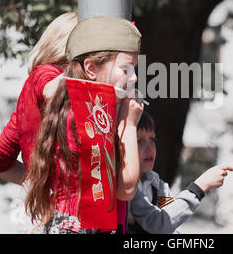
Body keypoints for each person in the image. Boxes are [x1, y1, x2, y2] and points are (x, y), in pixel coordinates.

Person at [24, 16, 144, 234]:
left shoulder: (74, 108)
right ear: (90, 69)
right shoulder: (87, 117)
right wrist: (130, 123)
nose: (134, 78)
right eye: (125, 69)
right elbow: (126, 188)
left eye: (134, 69)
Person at [0, 12, 78, 184]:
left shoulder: (28, 100)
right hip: (66, 206)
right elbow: (50, 91)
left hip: (51, 205)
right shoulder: (47, 73)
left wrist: (39, 188)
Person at [127, 111, 233, 234]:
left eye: (152, 139)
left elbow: (170, 220)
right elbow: (157, 224)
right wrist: (199, 187)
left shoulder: (159, 186)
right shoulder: (128, 190)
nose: (150, 148)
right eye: (139, 141)